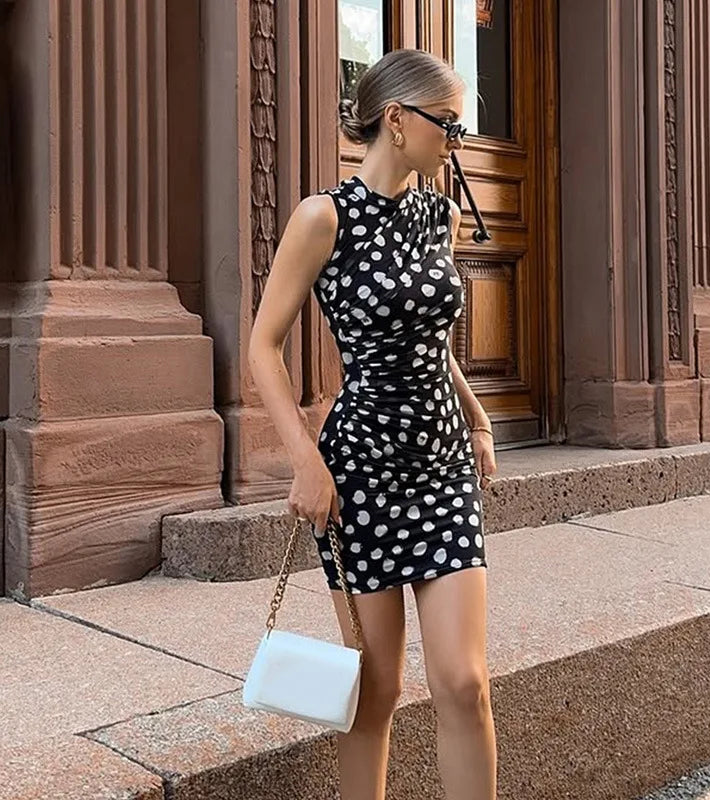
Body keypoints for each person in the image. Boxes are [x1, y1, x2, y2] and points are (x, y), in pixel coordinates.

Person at [247, 48, 498, 800]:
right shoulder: (324, 217)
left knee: (465, 683)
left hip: (442, 464)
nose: (456, 140)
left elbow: (431, 339)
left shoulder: (438, 215)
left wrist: (479, 417)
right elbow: (264, 345)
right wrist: (305, 460)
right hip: (359, 472)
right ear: (397, 119)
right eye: (448, 124)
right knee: (376, 690)